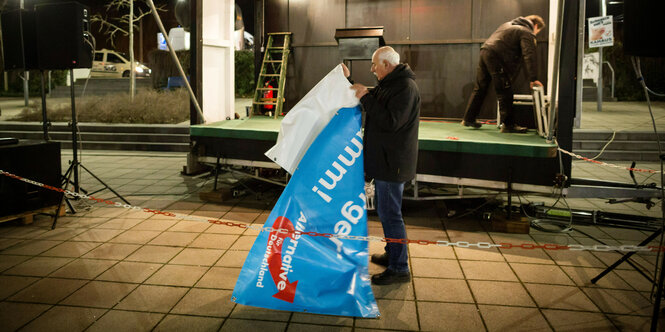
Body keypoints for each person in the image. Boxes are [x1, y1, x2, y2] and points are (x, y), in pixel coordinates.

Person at [342, 46, 420, 285]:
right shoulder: (394, 84)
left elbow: (390, 121)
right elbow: (377, 99)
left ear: (387, 64)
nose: (372, 69)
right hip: (388, 161)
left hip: (392, 164)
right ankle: (393, 254)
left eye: (375, 65)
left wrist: (365, 96)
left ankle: (399, 268)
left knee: (390, 214)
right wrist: (350, 82)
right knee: (388, 212)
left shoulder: (405, 88)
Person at [461, 15, 546, 133]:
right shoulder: (526, 32)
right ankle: (508, 125)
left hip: (485, 51)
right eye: (538, 31)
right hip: (497, 57)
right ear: (536, 26)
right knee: (505, 91)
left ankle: (468, 118)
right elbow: (529, 55)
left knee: (480, 88)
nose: (536, 33)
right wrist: (533, 78)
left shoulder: (507, 25)